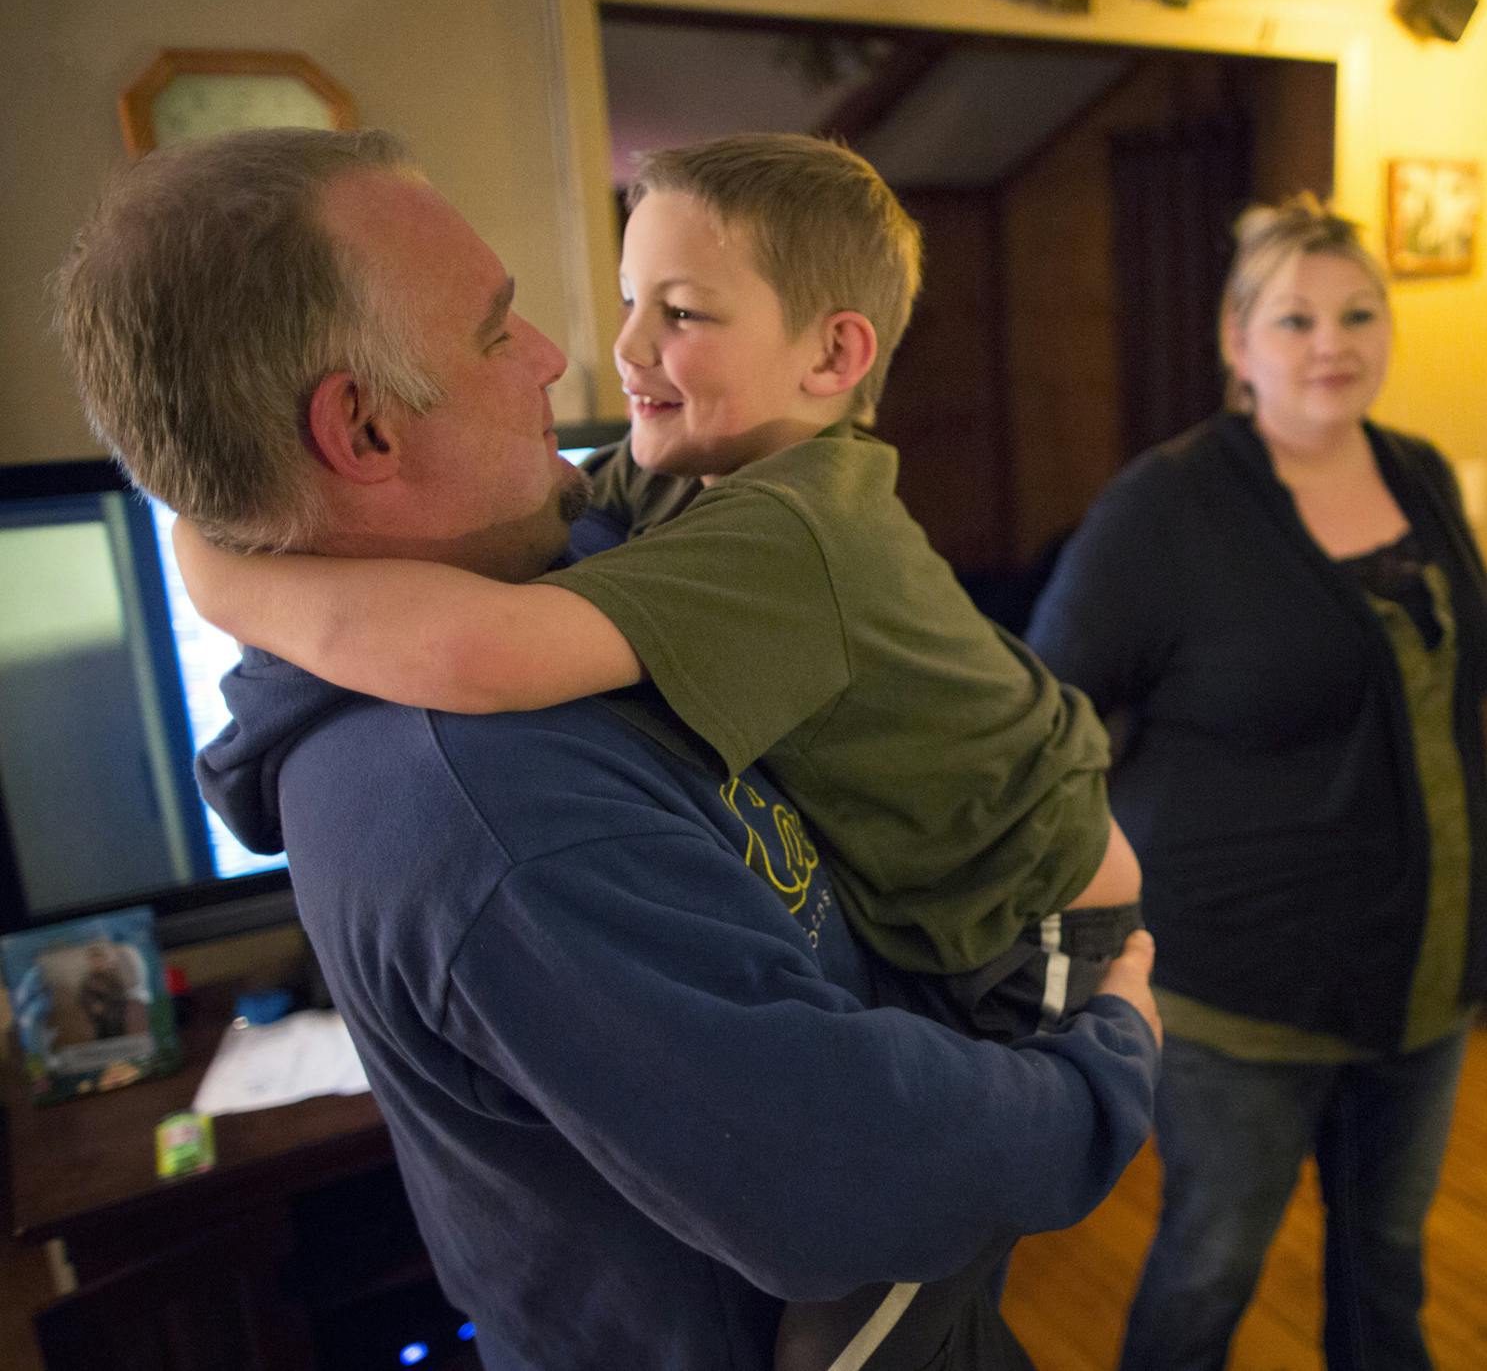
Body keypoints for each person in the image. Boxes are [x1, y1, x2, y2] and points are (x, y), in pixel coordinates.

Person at [53, 126, 1161, 1371]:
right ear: (361, 432)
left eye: (675, 310)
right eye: (494, 331)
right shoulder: (496, 822)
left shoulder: (595, 537)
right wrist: (1113, 1062)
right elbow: (861, 1181)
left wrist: (220, 555)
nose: (565, 356)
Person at [173, 132, 1143, 1045]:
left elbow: (486, 649)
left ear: (832, 355)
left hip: (1032, 913)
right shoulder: (681, 466)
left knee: (972, 1166)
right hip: (942, 886)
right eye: (631, 298)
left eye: (681, 313)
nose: (626, 346)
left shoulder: (796, 530)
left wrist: (218, 571)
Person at [1025, 195, 1487, 1371]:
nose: (1332, 342)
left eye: (1358, 313)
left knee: (1387, 1261)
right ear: (1237, 343)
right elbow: (1043, 715)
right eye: (1294, 319)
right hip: (1241, 991)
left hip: (1427, 976)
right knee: (1210, 1265)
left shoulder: (1423, 473)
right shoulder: (1167, 507)